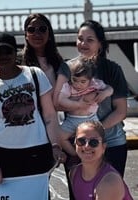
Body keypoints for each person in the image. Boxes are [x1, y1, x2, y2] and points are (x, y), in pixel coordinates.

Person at [0, 33, 65, 184]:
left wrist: (55, 145)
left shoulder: (35, 74)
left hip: (37, 149)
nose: (3, 56)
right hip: (2, 152)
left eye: (7, 51)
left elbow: (50, 116)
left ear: (16, 52)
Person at [53, 20, 129, 199]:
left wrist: (95, 134)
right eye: (80, 39)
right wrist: (79, 105)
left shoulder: (112, 69)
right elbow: (56, 102)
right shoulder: (67, 68)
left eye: (90, 40)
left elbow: (121, 111)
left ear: (100, 44)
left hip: (111, 142)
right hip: (80, 144)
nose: (83, 44)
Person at [58, 56, 113, 168]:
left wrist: (104, 93)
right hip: (73, 119)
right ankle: (75, 153)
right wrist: (78, 104)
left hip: (91, 119)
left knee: (98, 139)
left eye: (83, 81)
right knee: (59, 136)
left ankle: (99, 160)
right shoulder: (68, 87)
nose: (78, 84)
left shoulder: (95, 84)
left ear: (91, 79)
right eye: (75, 80)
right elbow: (60, 99)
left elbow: (110, 89)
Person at [70, 121, 133, 200]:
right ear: (75, 143)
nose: (86, 146)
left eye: (94, 142)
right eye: (81, 141)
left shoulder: (109, 181)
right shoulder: (75, 172)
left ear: (103, 147)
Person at [20, 13, 64, 87]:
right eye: (31, 30)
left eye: (42, 29)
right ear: (26, 35)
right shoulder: (18, 62)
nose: (37, 34)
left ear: (49, 34)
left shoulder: (58, 62)